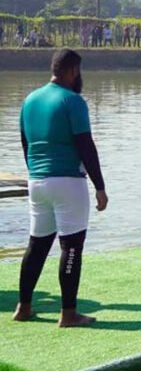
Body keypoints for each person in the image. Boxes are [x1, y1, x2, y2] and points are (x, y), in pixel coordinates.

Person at [15, 49, 108, 327]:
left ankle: (24, 307)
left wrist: (35, 173)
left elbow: (25, 144)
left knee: (37, 244)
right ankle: (68, 314)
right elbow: (85, 146)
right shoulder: (73, 101)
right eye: (78, 72)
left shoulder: (30, 100)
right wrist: (100, 186)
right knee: (71, 247)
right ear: (72, 71)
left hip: (37, 181)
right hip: (68, 182)